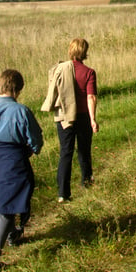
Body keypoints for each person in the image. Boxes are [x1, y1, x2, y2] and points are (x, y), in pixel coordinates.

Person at [0, 69, 44, 272]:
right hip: (13, 162)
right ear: (18, 89)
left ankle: (13, 235)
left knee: (4, 204)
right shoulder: (22, 111)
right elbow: (35, 140)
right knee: (5, 211)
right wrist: (31, 150)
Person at [55, 38, 99, 202]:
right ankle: (86, 182)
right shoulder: (88, 72)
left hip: (63, 117)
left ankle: (62, 193)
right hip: (82, 116)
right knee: (84, 151)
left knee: (65, 152)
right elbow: (91, 97)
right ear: (85, 52)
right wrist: (93, 119)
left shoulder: (60, 69)